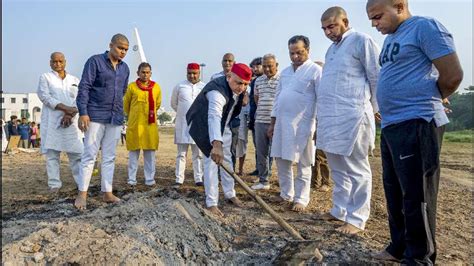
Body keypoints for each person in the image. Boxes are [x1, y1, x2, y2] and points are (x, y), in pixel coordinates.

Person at [366, 0, 463, 263]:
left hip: (417, 121)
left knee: (417, 194)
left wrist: (424, 98)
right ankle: (399, 246)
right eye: (371, 20)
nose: (375, 24)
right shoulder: (390, 39)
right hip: (391, 125)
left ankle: (419, 257)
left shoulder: (425, 27)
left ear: (398, 6)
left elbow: (453, 75)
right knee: (394, 190)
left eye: (377, 17)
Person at [315, 7, 380, 235]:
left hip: (354, 116)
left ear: (345, 21)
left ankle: (357, 218)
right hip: (332, 119)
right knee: (338, 168)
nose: (327, 32)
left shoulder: (362, 40)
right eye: (324, 28)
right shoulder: (331, 50)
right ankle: (339, 210)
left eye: (331, 26)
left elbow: (376, 75)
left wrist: (376, 108)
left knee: (357, 169)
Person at [186, 63, 252, 216]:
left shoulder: (239, 88)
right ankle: (211, 202)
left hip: (224, 124)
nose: (241, 87)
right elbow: (214, 116)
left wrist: (221, 141)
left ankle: (230, 193)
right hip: (204, 124)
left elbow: (225, 115)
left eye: (245, 84)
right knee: (211, 161)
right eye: (239, 83)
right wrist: (216, 144)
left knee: (227, 159)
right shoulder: (217, 91)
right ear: (229, 77)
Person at [74, 33, 130, 210]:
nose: (123, 52)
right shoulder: (95, 62)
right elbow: (84, 87)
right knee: (89, 155)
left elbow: (122, 90)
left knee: (109, 157)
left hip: (115, 117)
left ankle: (107, 192)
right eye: (120, 48)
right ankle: (82, 195)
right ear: (111, 45)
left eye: (126, 50)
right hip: (95, 115)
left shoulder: (125, 68)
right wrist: (83, 113)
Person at [268, 35, 322, 212]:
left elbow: (321, 99)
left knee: (303, 163)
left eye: (299, 53)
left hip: (303, 125)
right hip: (282, 124)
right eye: (292, 53)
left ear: (308, 50)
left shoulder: (315, 71)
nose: (295, 57)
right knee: (282, 160)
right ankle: (286, 194)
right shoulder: (284, 72)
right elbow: (277, 99)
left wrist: (319, 125)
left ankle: (301, 198)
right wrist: (272, 123)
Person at [37, 51, 83, 192]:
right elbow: (45, 96)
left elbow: (80, 99)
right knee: (52, 155)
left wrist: (70, 114)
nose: (57, 64)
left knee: (77, 154)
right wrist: (66, 109)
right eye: (54, 61)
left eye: (60, 61)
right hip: (52, 121)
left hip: (71, 121)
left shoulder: (74, 80)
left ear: (65, 62)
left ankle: (81, 183)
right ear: (50, 63)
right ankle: (54, 184)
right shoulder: (46, 77)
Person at [123, 62, 162, 187]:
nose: (145, 75)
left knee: (150, 155)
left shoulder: (156, 87)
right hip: (135, 125)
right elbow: (126, 106)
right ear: (138, 73)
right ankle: (131, 179)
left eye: (147, 72)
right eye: (143, 72)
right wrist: (134, 116)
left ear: (151, 73)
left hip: (149, 126)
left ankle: (149, 179)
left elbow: (157, 105)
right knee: (133, 154)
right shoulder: (132, 87)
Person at [170, 63, 205, 186]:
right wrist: (183, 113)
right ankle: (179, 179)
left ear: (199, 73)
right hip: (182, 124)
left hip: (198, 126)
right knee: (181, 154)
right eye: (190, 73)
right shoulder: (180, 86)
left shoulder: (204, 87)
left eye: (194, 73)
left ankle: (198, 178)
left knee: (198, 154)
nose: (192, 75)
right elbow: (174, 104)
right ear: (186, 73)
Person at [251, 54, 280, 190]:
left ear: (276, 65)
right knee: (261, 152)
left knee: (278, 153)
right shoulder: (258, 81)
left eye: (270, 66)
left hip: (277, 122)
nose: (267, 69)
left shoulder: (282, 80)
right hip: (260, 121)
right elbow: (257, 99)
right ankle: (264, 181)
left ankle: (282, 181)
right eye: (265, 66)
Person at [210, 53, 241, 168]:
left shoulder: (239, 77)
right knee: (216, 145)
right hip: (218, 117)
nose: (227, 63)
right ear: (221, 62)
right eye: (225, 60)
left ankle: (229, 171)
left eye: (230, 61)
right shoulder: (215, 77)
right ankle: (217, 173)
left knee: (231, 148)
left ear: (234, 62)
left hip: (233, 119)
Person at [311, 61, 331, 192]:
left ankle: (326, 182)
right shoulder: (312, 87)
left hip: (324, 123)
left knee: (322, 155)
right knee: (313, 156)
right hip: (313, 123)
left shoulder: (328, 88)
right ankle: (314, 182)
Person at [247, 57, 264, 176]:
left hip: (265, 117)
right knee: (257, 145)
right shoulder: (253, 82)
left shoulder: (265, 80)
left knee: (264, 148)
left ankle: (264, 172)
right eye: (253, 66)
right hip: (254, 117)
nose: (255, 68)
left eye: (258, 66)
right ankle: (258, 168)